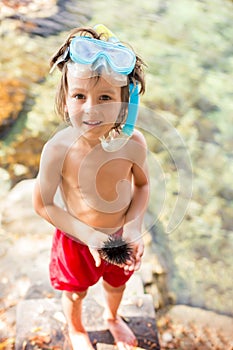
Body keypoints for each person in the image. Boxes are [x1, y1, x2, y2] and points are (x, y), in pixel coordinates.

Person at [33, 24, 149, 350]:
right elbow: (43, 205)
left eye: (105, 98)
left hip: (118, 239)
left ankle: (112, 317)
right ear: (65, 98)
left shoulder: (133, 144)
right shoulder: (58, 149)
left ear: (125, 103)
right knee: (74, 291)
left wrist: (134, 226)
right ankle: (75, 328)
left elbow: (142, 187)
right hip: (76, 239)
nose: (90, 108)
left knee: (116, 286)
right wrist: (88, 236)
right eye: (80, 96)